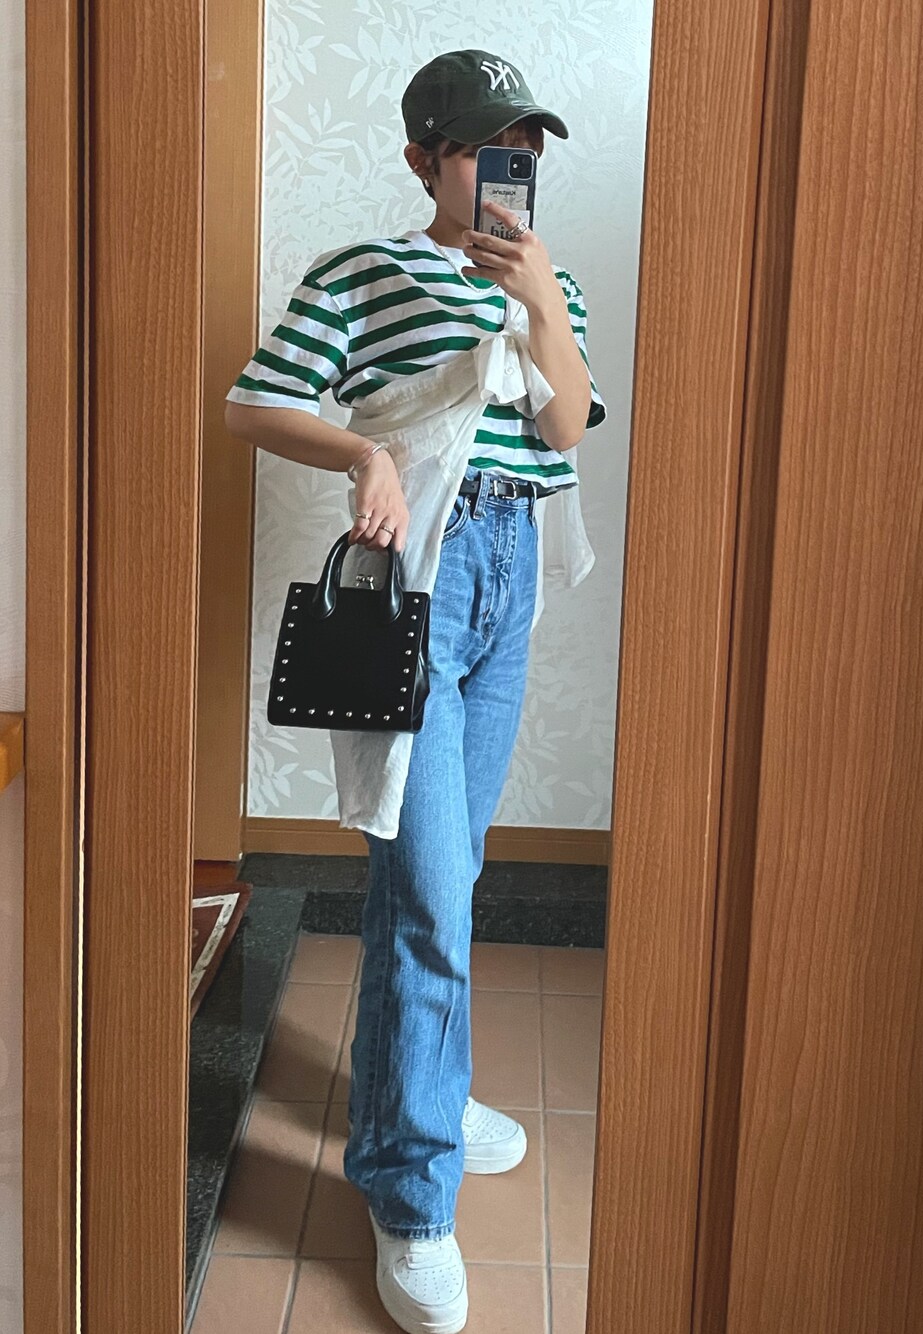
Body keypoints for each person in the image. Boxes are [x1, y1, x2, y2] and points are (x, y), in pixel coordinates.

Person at [224, 47, 606, 1334]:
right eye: (487, 150)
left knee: (445, 870)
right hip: (422, 583)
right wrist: (364, 454)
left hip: (510, 574)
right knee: (431, 884)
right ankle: (409, 1187)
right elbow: (255, 403)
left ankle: (414, 1098)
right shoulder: (362, 273)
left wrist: (542, 303)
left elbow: (564, 430)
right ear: (422, 158)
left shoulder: (552, 280)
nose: (511, 172)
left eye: (526, 153)